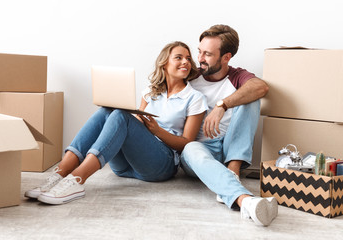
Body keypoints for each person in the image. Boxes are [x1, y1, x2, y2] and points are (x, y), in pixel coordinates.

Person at [25, 41, 208, 205]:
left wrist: (157, 131)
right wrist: (137, 123)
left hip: (161, 165)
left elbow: (187, 143)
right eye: (178, 57)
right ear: (164, 63)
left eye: (188, 58)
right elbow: (135, 125)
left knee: (120, 115)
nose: (185, 62)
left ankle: (77, 180)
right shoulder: (150, 92)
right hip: (125, 167)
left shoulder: (194, 98)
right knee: (107, 111)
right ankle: (59, 174)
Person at [180, 24, 278, 226]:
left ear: (226, 57)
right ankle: (245, 199)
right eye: (199, 52)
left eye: (207, 54)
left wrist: (222, 105)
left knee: (251, 98)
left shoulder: (236, 76)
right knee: (189, 148)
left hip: (228, 147)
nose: (199, 59)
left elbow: (261, 87)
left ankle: (232, 172)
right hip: (200, 151)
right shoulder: (191, 77)